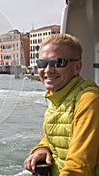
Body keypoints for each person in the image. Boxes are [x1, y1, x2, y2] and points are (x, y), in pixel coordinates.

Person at [23, 33, 99, 175]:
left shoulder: (89, 100)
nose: (48, 70)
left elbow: (79, 167)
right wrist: (42, 148)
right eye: (42, 63)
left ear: (77, 67)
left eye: (58, 63)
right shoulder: (58, 96)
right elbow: (57, 133)